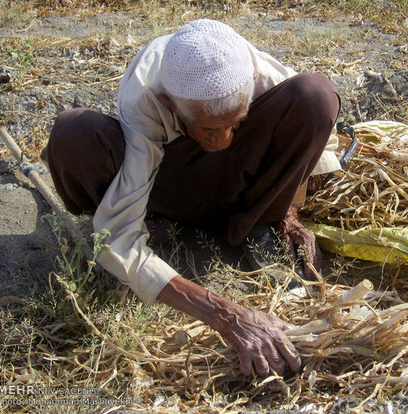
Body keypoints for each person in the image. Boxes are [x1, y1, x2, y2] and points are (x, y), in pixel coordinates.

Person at [42, 19, 341, 377]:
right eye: (210, 128)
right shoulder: (146, 95)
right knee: (74, 133)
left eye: (237, 122)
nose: (225, 139)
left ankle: (257, 222)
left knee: (315, 95)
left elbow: (318, 136)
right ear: (171, 103)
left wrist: (286, 210)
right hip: (166, 184)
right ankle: (157, 221)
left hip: (233, 181)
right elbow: (117, 238)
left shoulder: (254, 69)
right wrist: (225, 315)